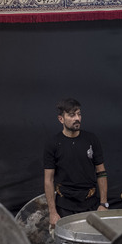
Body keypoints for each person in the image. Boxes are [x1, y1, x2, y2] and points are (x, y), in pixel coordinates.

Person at [44, 98, 108, 229]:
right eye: (72, 115)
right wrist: (52, 212)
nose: (77, 118)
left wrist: (103, 203)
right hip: (64, 206)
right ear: (61, 119)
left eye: (79, 114)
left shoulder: (91, 139)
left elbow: (101, 172)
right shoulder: (53, 143)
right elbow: (48, 179)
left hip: (90, 203)